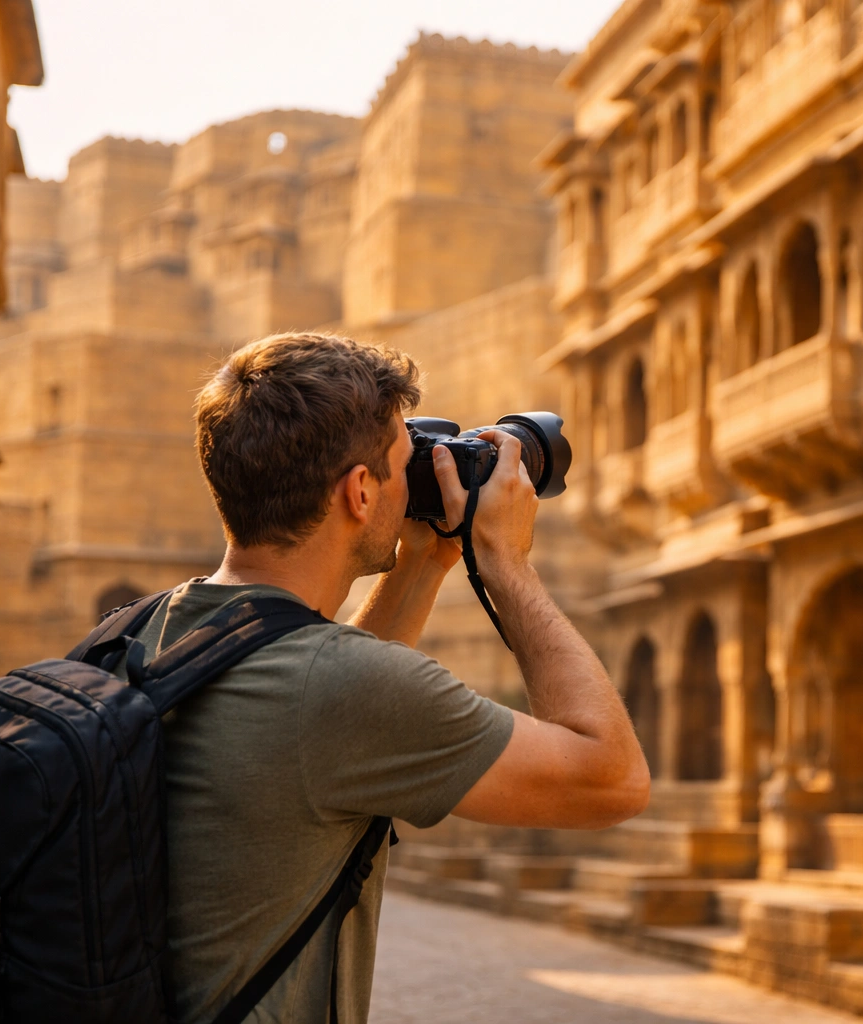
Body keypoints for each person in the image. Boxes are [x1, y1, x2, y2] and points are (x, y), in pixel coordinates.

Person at [133, 331, 650, 1023]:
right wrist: (505, 561)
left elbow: (319, 707)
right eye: (407, 463)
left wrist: (424, 562)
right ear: (360, 491)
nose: (417, 481)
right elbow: (611, 780)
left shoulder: (147, 631)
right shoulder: (338, 690)